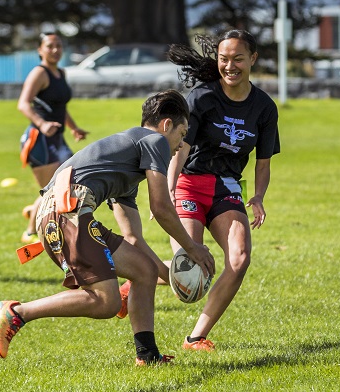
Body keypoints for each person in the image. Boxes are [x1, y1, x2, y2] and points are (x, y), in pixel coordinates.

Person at [0, 90, 216, 366]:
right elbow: (161, 207)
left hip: (65, 211)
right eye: (182, 134)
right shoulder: (154, 140)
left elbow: (134, 238)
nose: (181, 145)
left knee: (142, 271)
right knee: (105, 302)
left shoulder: (128, 164)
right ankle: (18, 312)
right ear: (167, 125)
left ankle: (147, 355)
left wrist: (172, 277)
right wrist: (193, 249)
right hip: (67, 210)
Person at [117, 30, 280, 352]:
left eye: (238, 59)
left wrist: (258, 197)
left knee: (240, 257)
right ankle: (134, 280)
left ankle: (196, 337)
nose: (230, 66)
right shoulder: (202, 97)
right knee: (188, 270)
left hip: (226, 188)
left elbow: (263, 162)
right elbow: (179, 148)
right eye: (223, 59)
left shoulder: (263, 107)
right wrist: (168, 190)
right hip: (189, 182)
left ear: (253, 59)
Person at [17, 32, 88, 244]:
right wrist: (42, 124)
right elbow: (23, 103)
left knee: (70, 178)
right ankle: (30, 232)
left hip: (58, 139)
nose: (55, 50)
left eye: (58, 46)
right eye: (50, 46)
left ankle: (33, 210)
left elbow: (60, 107)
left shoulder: (61, 73)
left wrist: (74, 128)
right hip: (39, 140)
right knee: (53, 187)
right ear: (40, 50)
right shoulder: (39, 73)